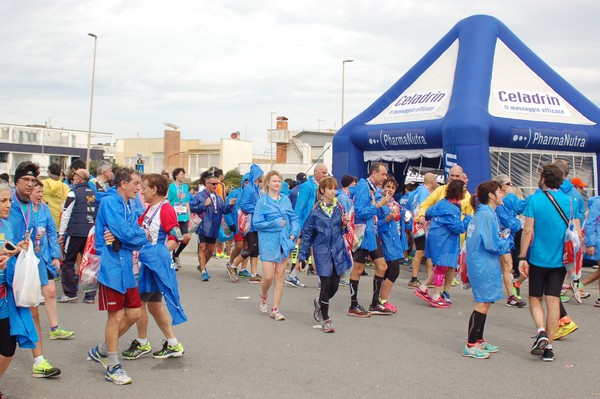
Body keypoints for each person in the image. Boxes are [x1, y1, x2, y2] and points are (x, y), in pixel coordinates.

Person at [87, 167, 148, 385]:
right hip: (111, 268)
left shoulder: (129, 205)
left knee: (134, 312)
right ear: (123, 184)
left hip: (126, 267)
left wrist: (126, 238)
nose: (138, 188)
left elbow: (139, 235)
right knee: (116, 316)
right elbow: (127, 232)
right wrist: (127, 236)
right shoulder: (111, 202)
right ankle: (112, 365)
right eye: (135, 183)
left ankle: (102, 349)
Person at [518, 163, 581, 362]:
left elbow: (527, 230)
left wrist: (521, 256)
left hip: (538, 257)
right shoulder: (571, 201)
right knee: (553, 300)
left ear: (543, 179)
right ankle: (549, 348)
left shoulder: (534, 200)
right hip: (561, 259)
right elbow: (577, 234)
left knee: (535, 298)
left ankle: (541, 331)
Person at [121, 174, 187, 360]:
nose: (141, 191)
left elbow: (176, 238)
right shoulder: (149, 209)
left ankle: (142, 342)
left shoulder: (165, 210)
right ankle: (173, 343)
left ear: (154, 190)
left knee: (139, 304)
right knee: (154, 305)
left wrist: (158, 254)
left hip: (153, 266)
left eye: (144, 188)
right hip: (147, 264)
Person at [8, 162, 61, 378]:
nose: (30, 184)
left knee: (32, 307)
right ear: (16, 181)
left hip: (25, 264)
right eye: (26, 180)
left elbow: (47, 230)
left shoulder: (33, 206)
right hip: (6, 264)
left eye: (33, 181)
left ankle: (39, 361)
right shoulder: (7, 202)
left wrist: (51, 254)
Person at [0, 182, 42, 397]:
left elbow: (6, 247)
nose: (8, 205)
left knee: (8, 348)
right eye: (3, 201)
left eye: (9, 200)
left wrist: (17, 249)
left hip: (5, 297)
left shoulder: (6, 225)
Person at [462, 180, 512, 359]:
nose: (502, 194)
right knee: (482, 304)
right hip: (483, 263)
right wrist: (508, 241)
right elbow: (492, 244)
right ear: (491, 195)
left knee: (486, 302)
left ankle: (479, 340)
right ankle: (470, 344)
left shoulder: (485, 213)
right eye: (500, 191)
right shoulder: (487, 215)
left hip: (482, 262)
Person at [299, 177, 352, 332]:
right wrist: (302, 256)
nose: (333, 191)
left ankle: (320, 302)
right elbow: (307, 234)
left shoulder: (339, 207)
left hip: (338, 250)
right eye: (330, 188)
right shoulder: (315, 211)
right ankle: (326, 319)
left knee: (335, 286)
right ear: (322, 190)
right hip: (321, 252)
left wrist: (344, 224)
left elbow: (344, 230)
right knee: (326, 283)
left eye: (335, 188)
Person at [416, 166, 473, 295]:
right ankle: (436, 294)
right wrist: (421, 215)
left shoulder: (465, 196)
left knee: (448, 265)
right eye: (451, 175)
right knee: (441, 266)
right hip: (447, 236)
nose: (453, 178)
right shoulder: (442, 193)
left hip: (454, 237)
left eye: (456, 176)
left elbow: (471, 214)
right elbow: (426, 205)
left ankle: (439, 291)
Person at [30, 181, 74, 339]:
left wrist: (55, 256)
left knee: (50, 292)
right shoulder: (22, 210)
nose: (40, 194)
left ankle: (55, 329)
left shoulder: (44, 208)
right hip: (26, 258)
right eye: (37, 191)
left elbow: (51, 233)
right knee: (25, 297)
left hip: (43, 256)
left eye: (42, 191)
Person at [254, 170, 299, 321]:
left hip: (284, 242)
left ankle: (275, 309)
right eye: (274, 181)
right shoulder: (262, 202)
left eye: (279, 181)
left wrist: (293, 233)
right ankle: (263, 295)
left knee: (279, 276)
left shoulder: (285, 199)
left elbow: (293, 218)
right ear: (267, 183)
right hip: (267, 242)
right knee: (268, 276)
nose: (277, 184)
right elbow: (256, 223)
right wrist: (275, 223)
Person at [348, 162, 392, 317]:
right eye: (383, 174)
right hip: (363, 235)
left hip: (371, 235)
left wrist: (388, 207)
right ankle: (353, 305)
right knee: (358, 269)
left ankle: (375, 303)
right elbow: (360, 211)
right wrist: (378, 205)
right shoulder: (363, 187)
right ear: (374, 173)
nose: (385, 177)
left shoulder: (374, 189)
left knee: (382, 266)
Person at [57, 169, 97, 304]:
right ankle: (90, 295)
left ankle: (70, 293)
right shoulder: (94, 194)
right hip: (91, 233)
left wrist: (61, 233)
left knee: (68, 262)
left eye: (74, 176)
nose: (73, 178)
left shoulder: (73, 193)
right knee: (90, 263)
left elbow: (66, 213)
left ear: (79, 178)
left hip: (75, 233)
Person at [189, 174, 235, 281]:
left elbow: (224, 210)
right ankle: (204, 270)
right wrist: (203, 205)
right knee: (202, 247)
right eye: (213, 184)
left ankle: (201, 265)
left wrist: (230, 205)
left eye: (216, 184)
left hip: (214, 227)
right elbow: (193, 207)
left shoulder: (218, 198)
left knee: (210, 249)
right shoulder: (200, 195)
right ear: (207, 184)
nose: (215, 186)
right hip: (203, 226)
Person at [289, 164, 329, 286]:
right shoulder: (307, 186)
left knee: (308, 251)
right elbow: (299, 207)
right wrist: (297, 226)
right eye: (323, 172)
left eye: (326, 173)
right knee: (315, 251)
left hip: (317, 224)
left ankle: (293, 275)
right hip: (308, 224)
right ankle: (321, 280)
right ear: (316, 172)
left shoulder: (320, 186)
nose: (325, 175)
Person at [493, 174, 526, 308]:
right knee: (507, 266)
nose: (511, 186)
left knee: (505, 266)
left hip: (507, 237)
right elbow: (511, 224)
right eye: (508, 184)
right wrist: (517, 222)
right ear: (501, 186)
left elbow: (514, 220)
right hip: (501, 237)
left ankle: (508, 294)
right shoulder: (499, 204)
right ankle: (511, 296)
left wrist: (516, 222)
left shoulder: (507, 202)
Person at [229, 164, 264, 284]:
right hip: (250, 223)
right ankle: (233, 265)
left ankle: (253, 274)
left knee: (255, 249)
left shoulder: (257, 189)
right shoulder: (249, 188)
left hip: (255, 223)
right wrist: (258, 209)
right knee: (251, 247)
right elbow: (244, 204)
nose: (263, 176)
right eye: (261, 174)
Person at [376, 177, 405, 312]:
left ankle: (380, 299)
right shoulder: (379, 202)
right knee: (393, 271)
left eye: (393, 188)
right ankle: (382, 300)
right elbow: (375, 225)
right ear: (382, 187)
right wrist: (388, 218)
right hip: (384, 241)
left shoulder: (394, 203)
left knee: (388, 271)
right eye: (388, 186)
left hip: (394, 241)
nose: (390, 190)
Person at [407, 173, 438, 288]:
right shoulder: (424, 192)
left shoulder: (416, 192)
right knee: (421, 251)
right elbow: (425, 208)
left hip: (417, 224)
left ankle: (428, 278)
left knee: (425, 251)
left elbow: (409, 206)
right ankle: (414, 279)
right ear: (432, 181)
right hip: (421, 225)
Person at [167, 168, 191, 271]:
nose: (183, 176)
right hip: (174, 217)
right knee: (174, 238)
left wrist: (189, 217)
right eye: (182, 174)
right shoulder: (171, 187)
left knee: (187, 237)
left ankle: (176, 254)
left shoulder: (185, 187)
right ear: (176, 175)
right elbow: (168, 201)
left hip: (184, 216)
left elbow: (186, 202)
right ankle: (172, 259)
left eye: (184, 174)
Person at [41, 163, 70, 229]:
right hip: (58, 222)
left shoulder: (41, 184)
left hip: (42, 220)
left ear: (49, 172)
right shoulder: (64, 187)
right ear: (60, 174)